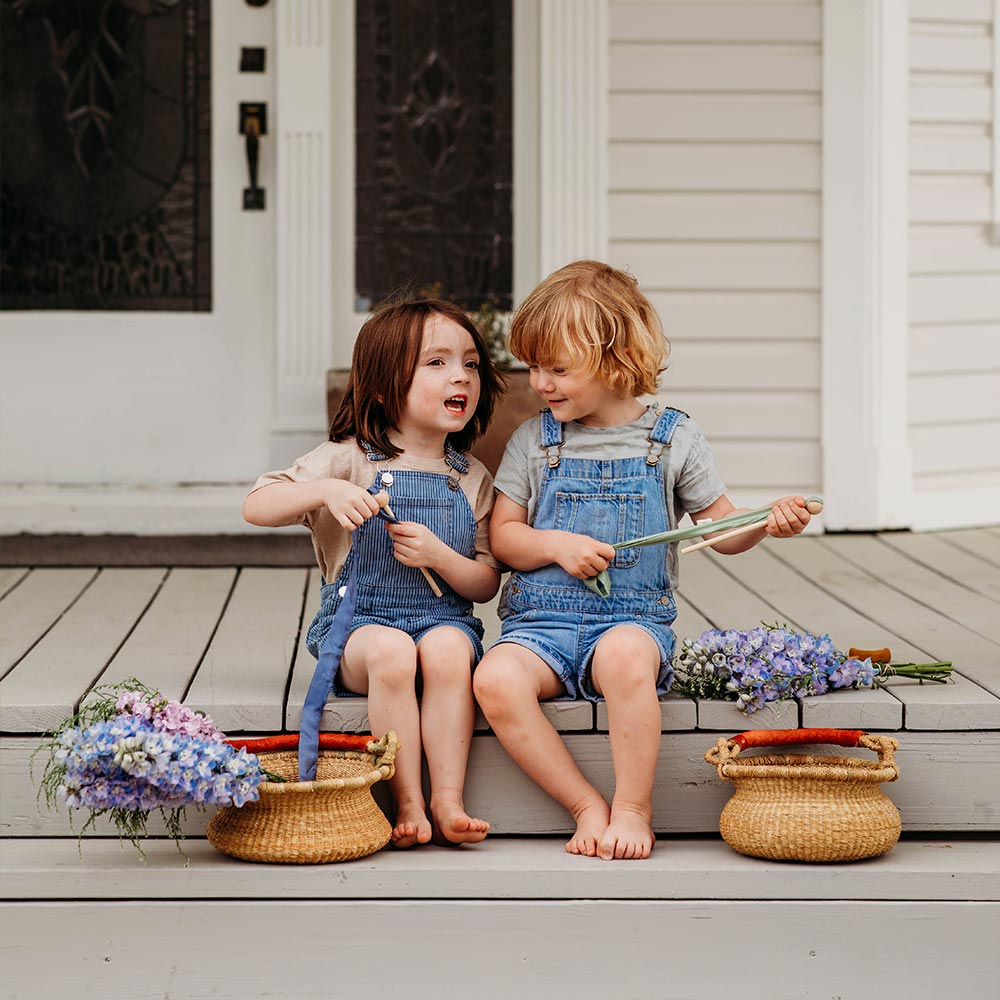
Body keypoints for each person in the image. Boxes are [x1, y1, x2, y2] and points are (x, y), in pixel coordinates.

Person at [472, 260, 813, 861]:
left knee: (627, 659)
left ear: (616, 358)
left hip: (628, 624)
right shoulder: (533, 439)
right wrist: (555, 545)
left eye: (558, 368)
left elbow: (723, 532)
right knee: (494, 680)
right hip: (538, 629)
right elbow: (503, 539)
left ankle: (632, 806)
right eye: (533, 367)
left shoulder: (673, 438)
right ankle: (584, 803)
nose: (540, 382)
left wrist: (767, 521)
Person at [244, 299, 505, 848]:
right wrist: (326, 490)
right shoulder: (349, 460)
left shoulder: (472, 477)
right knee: (391, 651)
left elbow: (484, 584)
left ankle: (448, 799)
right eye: (436, 363)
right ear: (385, 385)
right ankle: (408, 800)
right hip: (359, 626)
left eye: (470, 364)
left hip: (442, 620)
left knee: (450, 652)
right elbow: (259, 505)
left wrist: (441, 556)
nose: (460, 375)